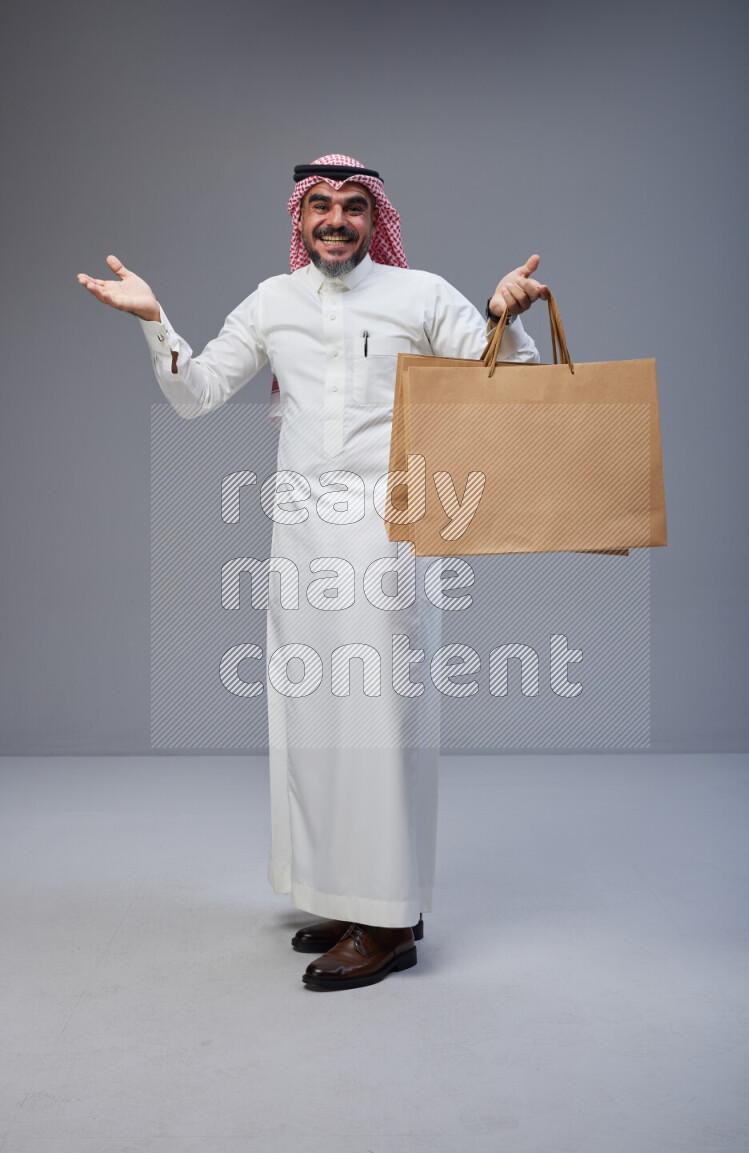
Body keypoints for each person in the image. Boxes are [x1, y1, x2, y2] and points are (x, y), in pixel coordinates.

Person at [77, 154, 549, 992]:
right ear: (299, 220)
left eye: (353, 206)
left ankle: (392, 921)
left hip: (390, 528)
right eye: (320, 206)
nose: (336, 219)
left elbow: (509, 380)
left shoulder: (420, 295)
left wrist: (503, 314)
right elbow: (198, 392)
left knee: (381, 720)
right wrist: (154, 319)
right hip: (299, 534)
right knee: (316, 717)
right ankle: (353, 895)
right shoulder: (274, 300)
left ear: (376, 219)